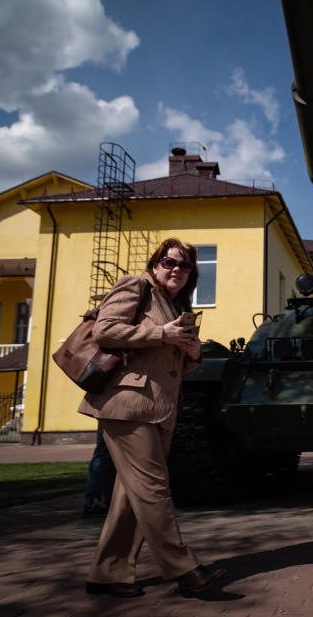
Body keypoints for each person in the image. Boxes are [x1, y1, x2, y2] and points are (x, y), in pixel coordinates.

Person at [77, 238, 223, 598]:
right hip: (128, 405)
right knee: (154, 488)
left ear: (192, 274)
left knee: (132, 495)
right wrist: (162, 333)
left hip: (161, 409)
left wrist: (191, 352)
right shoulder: (136, 285)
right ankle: (184, 567)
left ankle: (108, 574)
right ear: (155, 263)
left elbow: (176, 364)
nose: (176, 269)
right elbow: (105, 330)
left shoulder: (175, 304)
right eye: (168, 261)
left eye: (185, 265)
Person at [83, 428, 115, 515]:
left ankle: (106, 500)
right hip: (111, 419)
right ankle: (94, 501)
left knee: (109, 458)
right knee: (103, 456)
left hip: (110, 419)